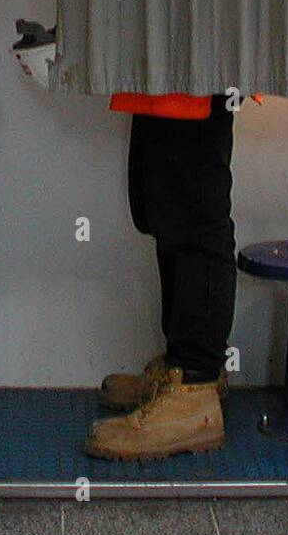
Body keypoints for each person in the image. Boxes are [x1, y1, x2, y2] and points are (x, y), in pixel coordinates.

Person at [85, 92, 234, 462]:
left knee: (194, 204)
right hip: (168, 72)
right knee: (165, 203)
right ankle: (179, 369)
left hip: (196, 70)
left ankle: (195, 387)